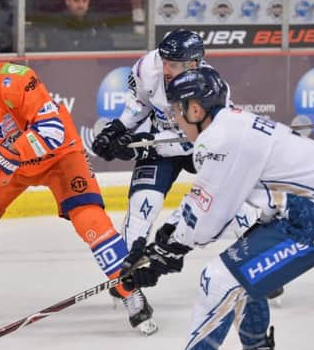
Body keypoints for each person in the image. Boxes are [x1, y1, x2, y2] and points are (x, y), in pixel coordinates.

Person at [0, 26, 157, 335]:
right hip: (10, 167)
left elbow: (52, 131)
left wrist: (10, 152)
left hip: (60, 157)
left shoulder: (19, 79)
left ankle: (131, 292)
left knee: (91, 221)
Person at [120, 67, 314, 350]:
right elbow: (210, 202)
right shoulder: (230, 126)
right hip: (294, 211)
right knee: (239, 268)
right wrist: (167, 238)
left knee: (220, 277)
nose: (176, 119)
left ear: (196, 109)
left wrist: (166, 255)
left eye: (178, 110)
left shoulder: (219, 140)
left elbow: (208, 219)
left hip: (306, 217)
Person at [91, 28, 262, 304]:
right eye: (166, 61)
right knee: (141, 208)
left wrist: (146, 141)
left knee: (237, 205)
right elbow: (139, 103)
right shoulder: (148, 67)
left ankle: (258, 264)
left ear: (195, 64)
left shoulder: (212, 86)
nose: (168, 69)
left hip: (199, 147)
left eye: (177, 64)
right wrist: (117, 128)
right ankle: (127, 285)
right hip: (159, 143)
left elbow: (202, 139)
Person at [41, 0, 112, 52]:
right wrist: (90, 42)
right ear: (67, 1)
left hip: (92, 64)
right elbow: (61, 47)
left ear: (88, 2)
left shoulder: (96, 20)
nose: (81, 5)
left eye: (84, 1)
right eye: (76, 0)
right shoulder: (55, 21)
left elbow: (108, 44)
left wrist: (77, 43)